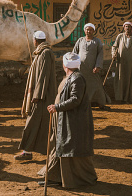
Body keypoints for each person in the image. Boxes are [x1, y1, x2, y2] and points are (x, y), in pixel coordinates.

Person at [38, 52, 97, 188]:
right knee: (62, 146)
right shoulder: (71, 77)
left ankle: (80, 179)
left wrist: (57, 107)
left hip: (74, 121)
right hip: (65, 119)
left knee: (69, 147)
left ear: (65, 65)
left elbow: (75, 100)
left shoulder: (77, 79)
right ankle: (56, 177)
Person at [14, 30, 57, 161]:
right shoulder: (41, 52)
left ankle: (28, 152)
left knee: (33, 123)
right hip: (41, 96)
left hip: (42, 97)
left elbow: (43, 76)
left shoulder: (45, 53)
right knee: (39, 124)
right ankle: (30, 151)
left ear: (35, 41)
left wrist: (37, 96)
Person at [72, 23, 111, 110]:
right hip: (81, 69)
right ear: (84, 30)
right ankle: (81, 104)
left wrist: (98, 66)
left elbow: (100, 54)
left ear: (93, 31)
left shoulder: (97, 41)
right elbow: (74, 53)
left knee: (97, 86)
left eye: (90, 30)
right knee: (81, 86)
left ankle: (101, 104)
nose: (88, 31)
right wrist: (73, 65)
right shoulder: (80, 40)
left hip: (92, 69)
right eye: (87, 29)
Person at [111, 21, 132, 103]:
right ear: (124, 27)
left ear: (131, 28)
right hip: (120, 62)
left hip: (131, 62)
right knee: (119, 78)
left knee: (129, 79)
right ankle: (119, 97)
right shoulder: (120, 36)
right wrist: (113, 55)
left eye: (129, 27)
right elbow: (114, 47)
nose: (127, 28)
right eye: (126, 26)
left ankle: (127, 98)